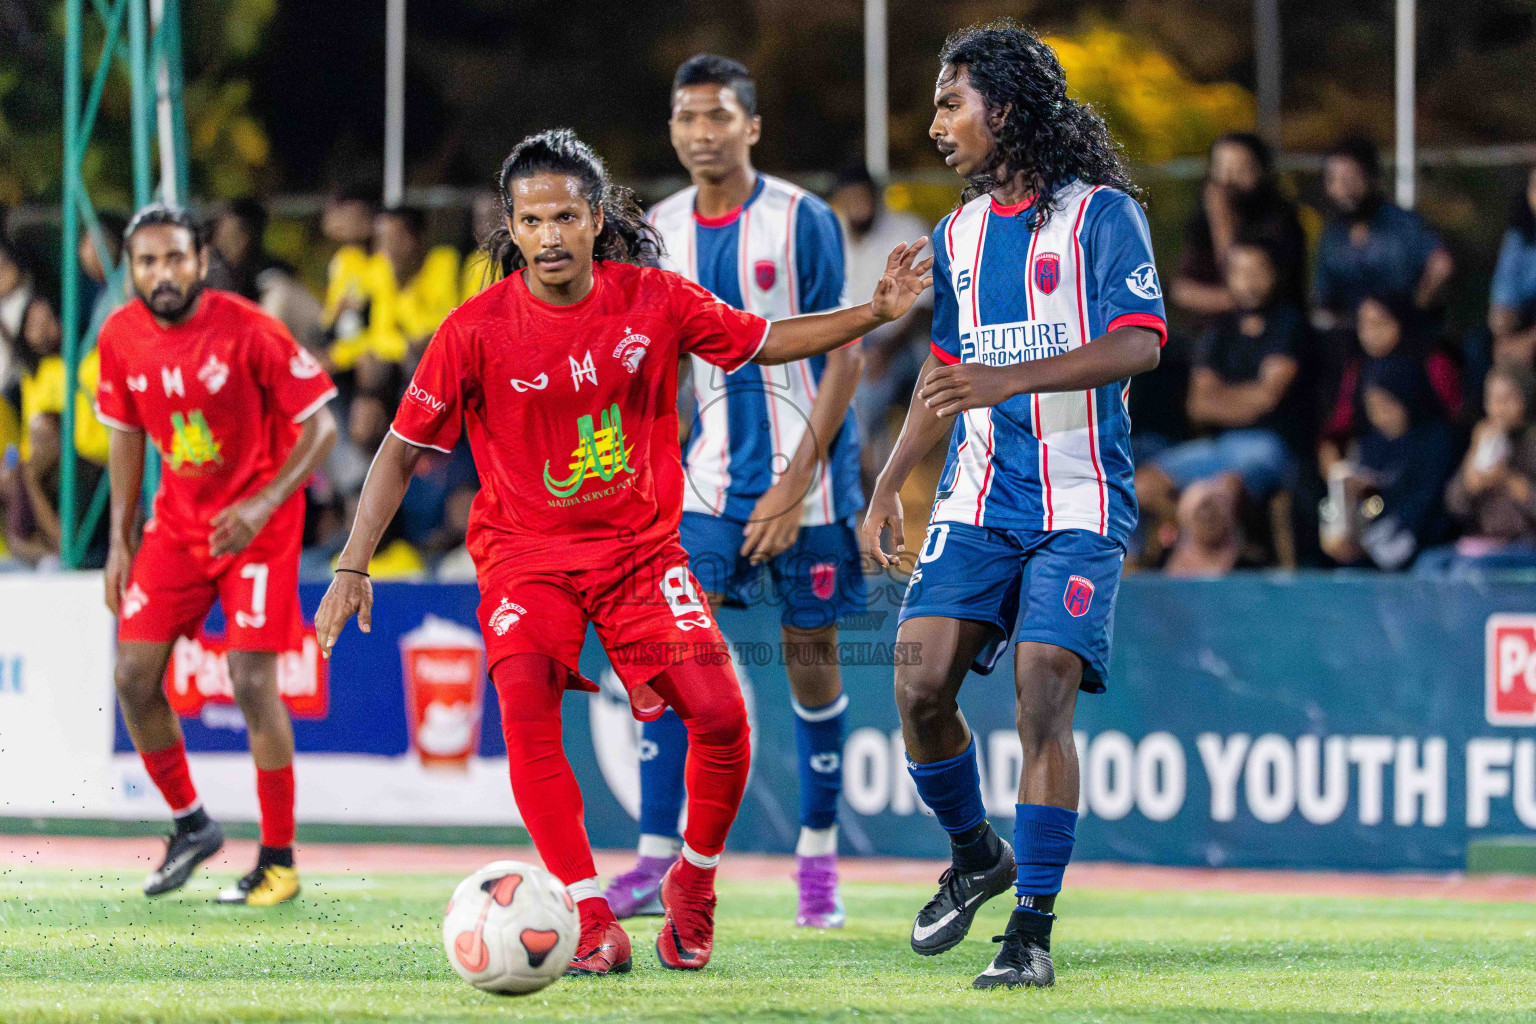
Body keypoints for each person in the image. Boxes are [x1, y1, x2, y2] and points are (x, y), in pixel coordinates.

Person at [313, 129, 929, 976]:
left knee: (721, 720)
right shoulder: (474, 330)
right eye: (533, 220)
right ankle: (590, 914)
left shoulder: (655, 299)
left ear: (597, 220)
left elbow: (762, 340)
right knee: (526, 708)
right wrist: (352, 563)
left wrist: (875, 312)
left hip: (641, 555)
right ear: (514, 230)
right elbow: (396, 449)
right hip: (526, 558)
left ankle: (695, 884)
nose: (552, 234)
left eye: (567, 215)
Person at [861, 22, 1163, 989]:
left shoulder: (1103, 215)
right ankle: (974, 853)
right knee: (916, 687)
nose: (938, 123)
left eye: (952, 102)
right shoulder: (955, 235)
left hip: (1079, 500)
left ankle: (1029, 932)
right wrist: (888, 479)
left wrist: (1010, 380)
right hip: (978, 496)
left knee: (1042, 694)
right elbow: (947, 375)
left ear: (1008, 106)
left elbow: (1140, 343)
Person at [605, 54, 865, 931]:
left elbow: (845, 349)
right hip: (709, 484)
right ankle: (650, 860)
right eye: (686, 118)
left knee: (813, 664)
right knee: (660, 655)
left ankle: (818, 864)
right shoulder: (661, 230)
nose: (700, 134)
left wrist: (796, 486)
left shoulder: (803, 219)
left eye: (718, 117)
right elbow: (656, 363)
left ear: (751, 127)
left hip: (813, 489)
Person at [95, 204, 339, 905]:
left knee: (251, 681)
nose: (161, 273)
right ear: (133, 270)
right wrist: (119, 536)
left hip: (256, 524)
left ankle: (278, 861)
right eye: (147, 261)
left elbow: (320, 428)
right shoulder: (120, 336)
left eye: (175, 258)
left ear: (201, 261)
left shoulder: (249, 329)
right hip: (175, 525)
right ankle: (191, 824)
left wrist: (264, 503)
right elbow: (126, 433)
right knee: (133, 676)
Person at [1137, 240, 1304, 565]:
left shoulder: (1289, 325)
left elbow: (1267, 400)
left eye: (1258, 271)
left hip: (1270, 446)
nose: (1250, 281)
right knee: (1143, 485)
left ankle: (1224, 571)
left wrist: (1226, 397)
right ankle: (1203, 544)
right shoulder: (1221, 330)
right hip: (1217, 445)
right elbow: (1200, 405)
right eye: (1241, 271)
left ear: (1275, 275)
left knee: (1223, 491)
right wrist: (1249, 395)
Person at [830, 163, 935, 490]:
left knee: (865, 386)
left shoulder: (907, 230)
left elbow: (924, 311)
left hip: (901, 343)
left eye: (862, 198)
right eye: (849, 199)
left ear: (875, 198)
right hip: (851, 342)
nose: (856, 206)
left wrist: (884, 352)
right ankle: (858, 473)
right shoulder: (835, 238)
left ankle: (865, 477)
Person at [1318, 356, 1456, 569]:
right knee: (1347, 576)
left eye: (1387, 405)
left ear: (1406, 398)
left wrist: (1372, 544)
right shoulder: (1372, 445)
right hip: (1371, 545)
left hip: (1423, 541)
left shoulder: (1437, 441)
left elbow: (1428, 503)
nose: (1380, 415)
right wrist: (1359, 498)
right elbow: (1371, 508)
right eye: (1372, 406)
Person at [1312, 137, 1454, 332]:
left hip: (1405, 336)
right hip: (1352, 340)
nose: (1345, 187)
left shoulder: (1403, 223)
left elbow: (1441, 264)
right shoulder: (1332, 237)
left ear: (1372, 178)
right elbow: (1324, 298)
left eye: (1353, 176)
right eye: (1335, 179)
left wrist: (1414, 310)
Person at [1318, 293, 1460, 477]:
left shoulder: (1432, 360)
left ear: (1400, 321)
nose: (1370, 334)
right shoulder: (1359, 365)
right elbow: (1342, 423)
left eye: (1379, 323)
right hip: (1373, 454)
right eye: (1364, 324)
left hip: (1426, 454)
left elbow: (1451, 416)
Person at [1170, 132, 1307, 323]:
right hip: (1216, 331)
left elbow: (1248, 292)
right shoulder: (1201, 219)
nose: (1228, 179)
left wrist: (1222, 222)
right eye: (1222, 168)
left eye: (1241, 169)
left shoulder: (1278, 221)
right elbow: (1182, 290)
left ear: (1261, 170)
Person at [1424, 361, 1536, 574]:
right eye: (1494, 399)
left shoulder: (1532, 444)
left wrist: (1508, 480)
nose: (1500, 407)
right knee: (1428, 564)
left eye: (1508, 399)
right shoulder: (1485, 439)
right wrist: (1473, 465)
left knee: (1468, 572)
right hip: (1480, 544)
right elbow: (1455, 505)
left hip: (1523, 545)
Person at [211, 198, 324, 346]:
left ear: (247, 238)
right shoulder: (229, 279)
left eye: (230, 238)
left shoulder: (274, 281)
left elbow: (263, 341)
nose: (221, 246)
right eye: (219, 237)